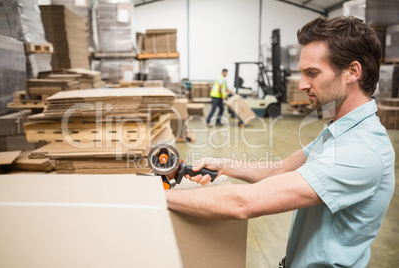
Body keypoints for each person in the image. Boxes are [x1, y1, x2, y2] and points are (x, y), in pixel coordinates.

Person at [166, 16, 395, 267]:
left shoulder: (361, 150)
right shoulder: (340, 131)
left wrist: (158, 198)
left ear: (352, 72)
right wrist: (224, 165)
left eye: (312, 73)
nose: (301, 84)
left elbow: (244, 203)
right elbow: (283, 168)